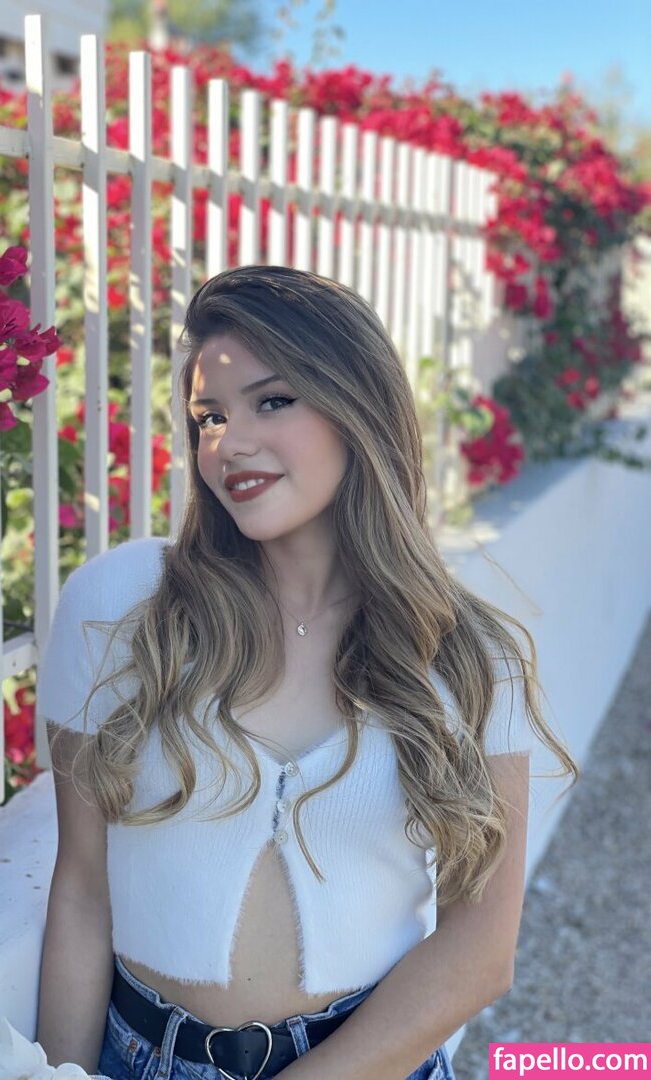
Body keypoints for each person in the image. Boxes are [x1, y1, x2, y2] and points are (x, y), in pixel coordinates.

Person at [35, 265, 577, 1080]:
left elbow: (479, 949)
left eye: (273, 401)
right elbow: (82, 891)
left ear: (357, 407)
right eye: (210, 417)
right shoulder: (119, 606)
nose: (230, 443)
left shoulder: (466, 654)